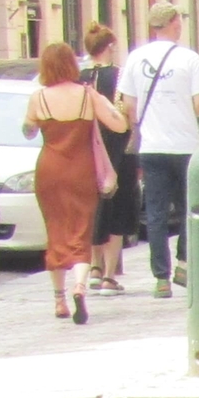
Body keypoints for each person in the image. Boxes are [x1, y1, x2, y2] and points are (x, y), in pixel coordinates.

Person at [22, 40, 129, 325]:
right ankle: (80, 286)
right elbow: (119, 124)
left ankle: (58, 299)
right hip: (81, 171)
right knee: (81, 230)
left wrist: (34, 124)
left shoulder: (38, 98)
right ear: (71, 65)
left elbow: (28, 130)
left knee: (55, 230)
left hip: (49, 171)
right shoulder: (87, 95)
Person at [117, 2, 199, 298]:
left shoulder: (135, 58)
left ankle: (161, 278)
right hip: (184, 146)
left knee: (155, 213)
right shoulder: (189, 59)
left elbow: (128, 105)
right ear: (174, 23)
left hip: (152, 146)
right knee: (188, 208)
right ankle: (184, 262)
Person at [80, 22, 138, 294]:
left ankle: (94, 266)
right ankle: (109, 275)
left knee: (95, 207)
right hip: (116, 148)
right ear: (110, 47)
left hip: (88, 149)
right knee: (118, 207)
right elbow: (128, 112)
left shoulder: (80, 77)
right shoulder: (119, 77)